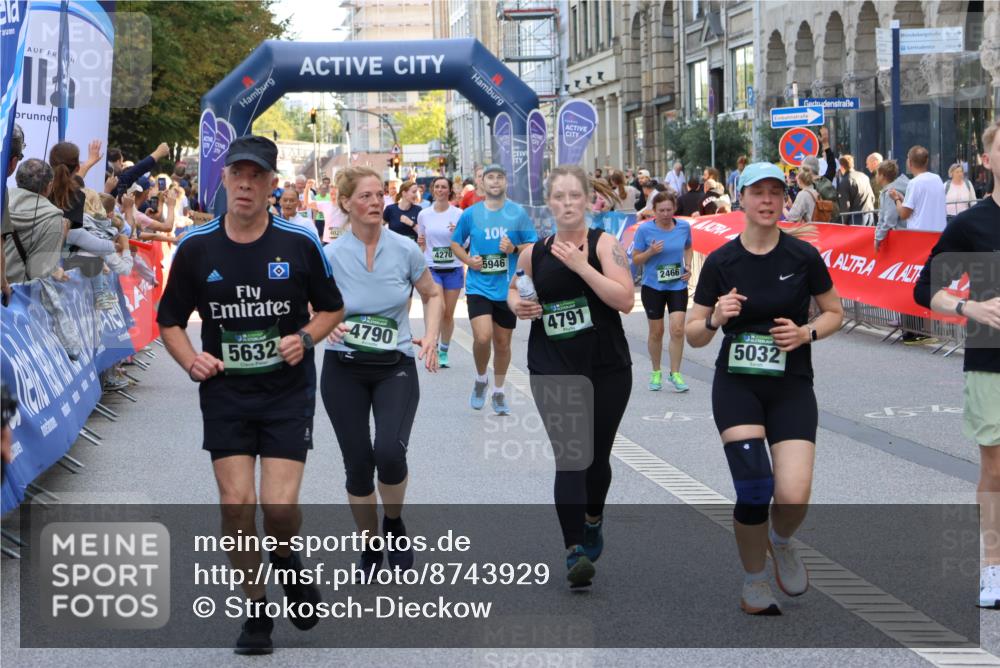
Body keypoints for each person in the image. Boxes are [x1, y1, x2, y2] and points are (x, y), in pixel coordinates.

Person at [156, 135, 345, 654]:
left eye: (256, 175)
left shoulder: (299, 241)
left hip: (286, 393)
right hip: (226, 394)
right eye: (237, 173)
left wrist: (306, 337)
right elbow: (168, 321)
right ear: (222, 179)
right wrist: (189, 359)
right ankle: (257, 610)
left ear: (270, 184)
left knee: (278, 509)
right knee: (237, 505)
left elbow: (333, 309)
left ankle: (286, 559)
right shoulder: (197, 247)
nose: (245, 183)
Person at [685, 162, 844, 615]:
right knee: (755, 485)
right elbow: (694, 333)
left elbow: (834, 312)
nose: (768, 200)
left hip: (791, 383)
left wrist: (805, 333)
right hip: (737, 385)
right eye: (759, 193)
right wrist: (716, 316)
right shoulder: (721, 261)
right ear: (743, 200)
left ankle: (781, 539)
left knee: (793, 494)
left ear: (785, 200)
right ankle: (754, 581)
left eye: (777, 192)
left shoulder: (801, 256)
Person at [508, 165, 634, 588]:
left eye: (573, 196)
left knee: (597, 460)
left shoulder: (604, 245)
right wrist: (517, 305)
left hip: (606, 366)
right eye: (558, 197)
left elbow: (624, 300)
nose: (566, 204)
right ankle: (574, 549)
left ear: (587, 200)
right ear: (549, 203)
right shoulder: (534, 253)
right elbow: (516, 287)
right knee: (571, 456)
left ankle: (593, 517)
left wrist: (582, 266)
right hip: (552, 365)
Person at [321, 165, 443, 579]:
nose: (376, 202)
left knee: (389, 453)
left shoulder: (405, 248)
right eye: (366, 196)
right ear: (346, 204)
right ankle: (371, 543)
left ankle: (393, 523)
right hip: (344, 368)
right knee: (357, 464)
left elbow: (432, 292)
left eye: (380, 195)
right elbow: (308, 303)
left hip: (395, 367)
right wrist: (326, 321)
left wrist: (431, 335)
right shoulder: (331, 255)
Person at [915, 119, 1000, 610]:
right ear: (986, 161)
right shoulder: (973, 224)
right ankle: (993, 568)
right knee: (996, 467)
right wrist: (970, 307)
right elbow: (927, 289)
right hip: (992, 357)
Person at [451, 164, 538, 414]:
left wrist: (513, 249)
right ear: (482, 184)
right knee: (482, 337)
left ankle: (498, 391)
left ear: (505, 183)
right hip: (478, 285)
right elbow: (456, 243)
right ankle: (481, 379)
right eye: (490, 177)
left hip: (507, 288)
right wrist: (468, 261)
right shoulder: (470, 214)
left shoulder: (517, 213)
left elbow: (532, 246)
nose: (495, 181)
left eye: (500, 177)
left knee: (502, 343)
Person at [631, 190, 692, 392]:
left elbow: (688, 247)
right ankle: (656, 371)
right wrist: (651, 252)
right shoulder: (645, 230)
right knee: (657, 332)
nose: (666, 214)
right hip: (653, 286)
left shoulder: (683, 226)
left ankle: (675, 373)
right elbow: (636, 259)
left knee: (677, 329)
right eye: (661, 211)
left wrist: (688, 267)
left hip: (677, 285)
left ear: (674, 209)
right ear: (654, 211)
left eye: (669, 210)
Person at [416, 176, 464, 367]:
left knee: (448, 314)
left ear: (449, 190)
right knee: (439, 307)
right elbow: (421, 240)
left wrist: (456, 234)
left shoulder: (459, 214)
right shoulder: (424, 214)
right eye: (437, 187)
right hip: (432, 267)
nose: (440, 190)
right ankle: (432, 345)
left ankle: (444, 349)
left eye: (444, 187)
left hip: (453, 267)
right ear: (433, 190)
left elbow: (466, 242)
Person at [3, 159, 67, 284]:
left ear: (17, 179)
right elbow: (40, 272)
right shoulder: (52, 216)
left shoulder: (2, 199)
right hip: (17, 297)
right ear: (49, 185)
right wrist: (55, 271)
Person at [887, 145, 946, 233]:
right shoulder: (937, 179)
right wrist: (903, 199)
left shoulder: (914, 183)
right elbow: (919, 205)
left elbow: (904, 214)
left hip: (920, 236)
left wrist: (896, 199)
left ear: (909, 162)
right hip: (939, 234)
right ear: (926, 161)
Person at [874, 160, 909, 254]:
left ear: (882, 176)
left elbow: (890, 219)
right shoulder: (890, 190)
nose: (876, 176)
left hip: (901, 237)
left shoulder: (890, 192)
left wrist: (878, 238)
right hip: (903, 235)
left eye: (877, 174)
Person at [835, 155, 876, 225]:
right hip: (870, 216)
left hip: (856, 220)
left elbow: (845, 206)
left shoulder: (845, 181)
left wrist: (841, 223)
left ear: (841, 167)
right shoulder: (864, 176)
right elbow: (872, 197)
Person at [800, 155, 840, 222]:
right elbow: (832, 166)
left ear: (807, 169)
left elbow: (795, 214)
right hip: (831, 222)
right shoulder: (825, 180)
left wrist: (784, 208)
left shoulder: (808, 187)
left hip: (815, 225)